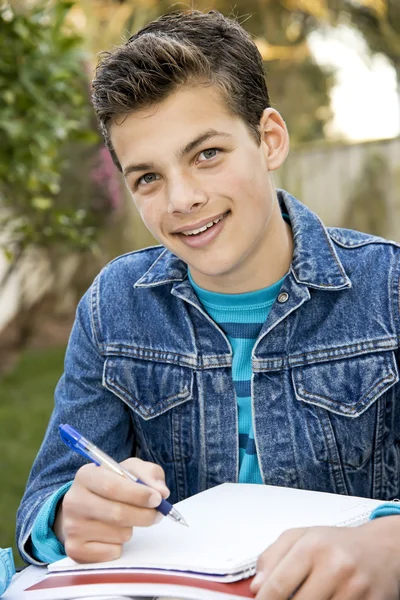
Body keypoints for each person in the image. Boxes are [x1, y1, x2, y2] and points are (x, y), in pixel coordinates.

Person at [16, 9, 400, 599]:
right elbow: (43, 505)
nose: (183, 199)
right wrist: (70, 514)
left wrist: (389, 546)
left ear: (269, 140)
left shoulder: (389, 290)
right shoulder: (112, 306)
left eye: (207, 154)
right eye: (147, 177)